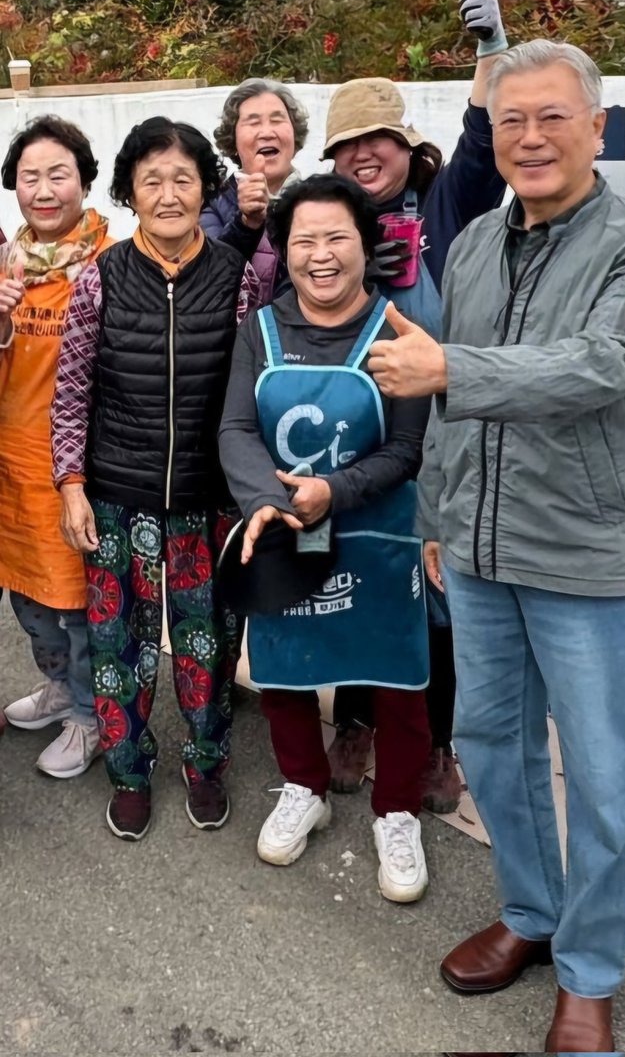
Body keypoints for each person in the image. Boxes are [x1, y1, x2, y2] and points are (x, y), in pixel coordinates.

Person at [366, 39, 625, 1052]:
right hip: (477, 550)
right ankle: (532, 914)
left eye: (554, 116)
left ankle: (591, 970)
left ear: (598, 127)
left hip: (592, 557)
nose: (532, 137)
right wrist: (435, 519)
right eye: (512, 120)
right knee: (493, 750)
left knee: (601, 778)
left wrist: (452, 367)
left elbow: (602, 366)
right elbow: (453, 411)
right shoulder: (472, 248)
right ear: (492, 137)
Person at [218, 173, 432, 902]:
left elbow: (406, 452)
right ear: (284, 249)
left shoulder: (395, 334)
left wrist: (330, 493)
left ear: (365, 246)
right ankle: (302, 786)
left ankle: (396, 809)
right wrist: (263, 500)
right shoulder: (262, 329)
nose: (320, 254)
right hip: (282, 532)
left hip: (378, 537)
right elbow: (236, 428)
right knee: (283, 671)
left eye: (336, 236)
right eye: (303, 239)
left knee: (398, 681)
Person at [322, 0, 509, 813]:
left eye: (378, 140)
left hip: (438, 443)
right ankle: (355, 724)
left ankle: (438, 746)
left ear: (404, 145)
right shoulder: (329, 223)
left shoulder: (443, 207)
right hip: (357, 440)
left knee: (440, 601)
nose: (364, 155)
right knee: (361, 582)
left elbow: (479, 142)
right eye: (347, 145)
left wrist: (489, 51)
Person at [51, 117, 261, 841]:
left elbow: (258, 389)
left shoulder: (239, 278)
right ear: (130, 193)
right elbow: (72, 389)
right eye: (151, 181)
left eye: (183, 179)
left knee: (208, 645)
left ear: (205, 189)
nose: (168, 194)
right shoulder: (100, 278)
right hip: (117, 499)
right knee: (120, 646)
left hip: (210, 501)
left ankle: (205, 763)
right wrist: (70, 483)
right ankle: (129, 772)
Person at [0, 117, 114, 779]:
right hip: (11, 463)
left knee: (75, 602)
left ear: (83, 181)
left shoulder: (108, 260)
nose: (43, 189)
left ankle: (89, 715)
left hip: (74, 468)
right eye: (28, 177)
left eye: (57, 174)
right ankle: (60, 689)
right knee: (26, 596)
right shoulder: (6, 262)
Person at [201, 77, 309, 305]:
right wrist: (246, 223)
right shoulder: (210, 204)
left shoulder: (321, 199)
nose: (267, 132)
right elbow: (208, 281)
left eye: (277, 120)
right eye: (253, 123)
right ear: (234, 142)